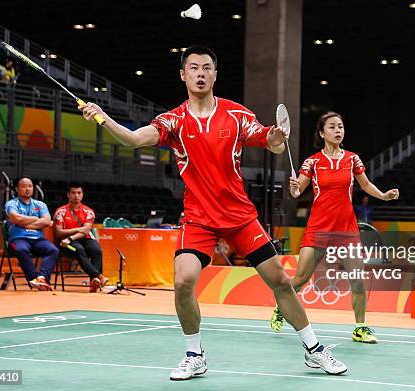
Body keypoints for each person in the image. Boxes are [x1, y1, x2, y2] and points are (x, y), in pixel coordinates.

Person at [79, 46, 347, 380]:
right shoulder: (174, 121)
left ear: (215, 74)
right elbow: (134, 139)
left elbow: (272, 142)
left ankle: (314, 349)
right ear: (183, 74)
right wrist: (103, 119)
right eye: (194, 68)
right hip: (199, 217)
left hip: (239, 216)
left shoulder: (235, 115)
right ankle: (195, 355)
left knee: (280, 280)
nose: (201, 73)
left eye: (207, 67)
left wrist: (278, 137)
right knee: (182, 280)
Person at [269, 111, 399, 344]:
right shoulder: (313, 162)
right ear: (322, 133)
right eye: (332, 127)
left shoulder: (352, 159)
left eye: (340, 126)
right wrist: (293, 188)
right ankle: (281, 307)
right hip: (319, 227)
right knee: (300, 279)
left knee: (357, 280)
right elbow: (298, 191)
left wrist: (383, 195)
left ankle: (360, 327)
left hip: (346, 229)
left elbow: (366, 184)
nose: (338, 130)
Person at [4, 177, 59, 291]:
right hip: (18, 239)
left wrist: (25, 224)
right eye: (23, 186)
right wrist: (35, 218)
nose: (27, 189)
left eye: (30, 186)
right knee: (21, 250)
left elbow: (47, 221)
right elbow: (15, 218)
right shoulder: (12, 203)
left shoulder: (40, 205)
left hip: (37, 239)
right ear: (17, 189)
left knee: (53, 250)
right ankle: (34, 279)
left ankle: (42, 278)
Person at [54, 184, 107, 292]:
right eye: (73, 193)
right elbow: (59, 232)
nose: (76, 195)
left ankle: (94, 282)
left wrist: (71, 237)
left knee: (97, 250)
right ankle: (98, 276)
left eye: (79, 193)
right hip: (65, 243)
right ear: (68, 195)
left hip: (82, 238)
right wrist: (78, 230)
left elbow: (85, 231)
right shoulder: (61, 212)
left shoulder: (89, 211)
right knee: (79, 249)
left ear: (82, 195)